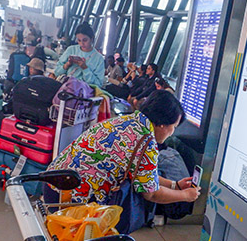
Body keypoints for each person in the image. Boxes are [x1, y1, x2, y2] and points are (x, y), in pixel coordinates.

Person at [46, 90, 200, 210]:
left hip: (52, 184)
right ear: (162, 124)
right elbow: (151, 193)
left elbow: (144, 176)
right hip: (70, 199)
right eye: (173, 127)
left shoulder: (125, 121)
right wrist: (185, 195)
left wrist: (175, 185)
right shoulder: (146, 142)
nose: (172, 132)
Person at [54, 22, 104, 87]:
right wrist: (67, 64)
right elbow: (57, 72)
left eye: (85, 40)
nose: (81, 43)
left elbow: (98, 84)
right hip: (65, 88)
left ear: (92, 39)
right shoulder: (71, 50)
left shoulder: (98, 58)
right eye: (79, 40)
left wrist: (85, 68)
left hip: (83, 93)